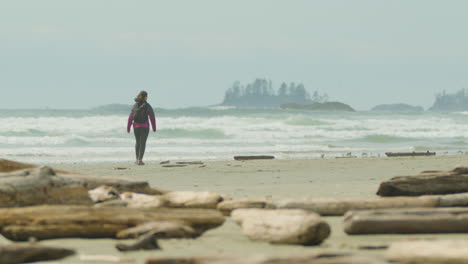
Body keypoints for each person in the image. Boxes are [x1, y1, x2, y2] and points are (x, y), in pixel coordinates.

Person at [127, 91, 156, 165]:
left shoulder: (135, 105)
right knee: (143, 143)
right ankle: (140, 160)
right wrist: (154, 127)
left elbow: (131, 117)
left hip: (136, 127)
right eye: (147, 96)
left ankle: (137, 159)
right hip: (145, 127)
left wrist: (128, 127)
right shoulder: (147, 105)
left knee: (137, 142)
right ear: (145, 97)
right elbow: (152, 116)